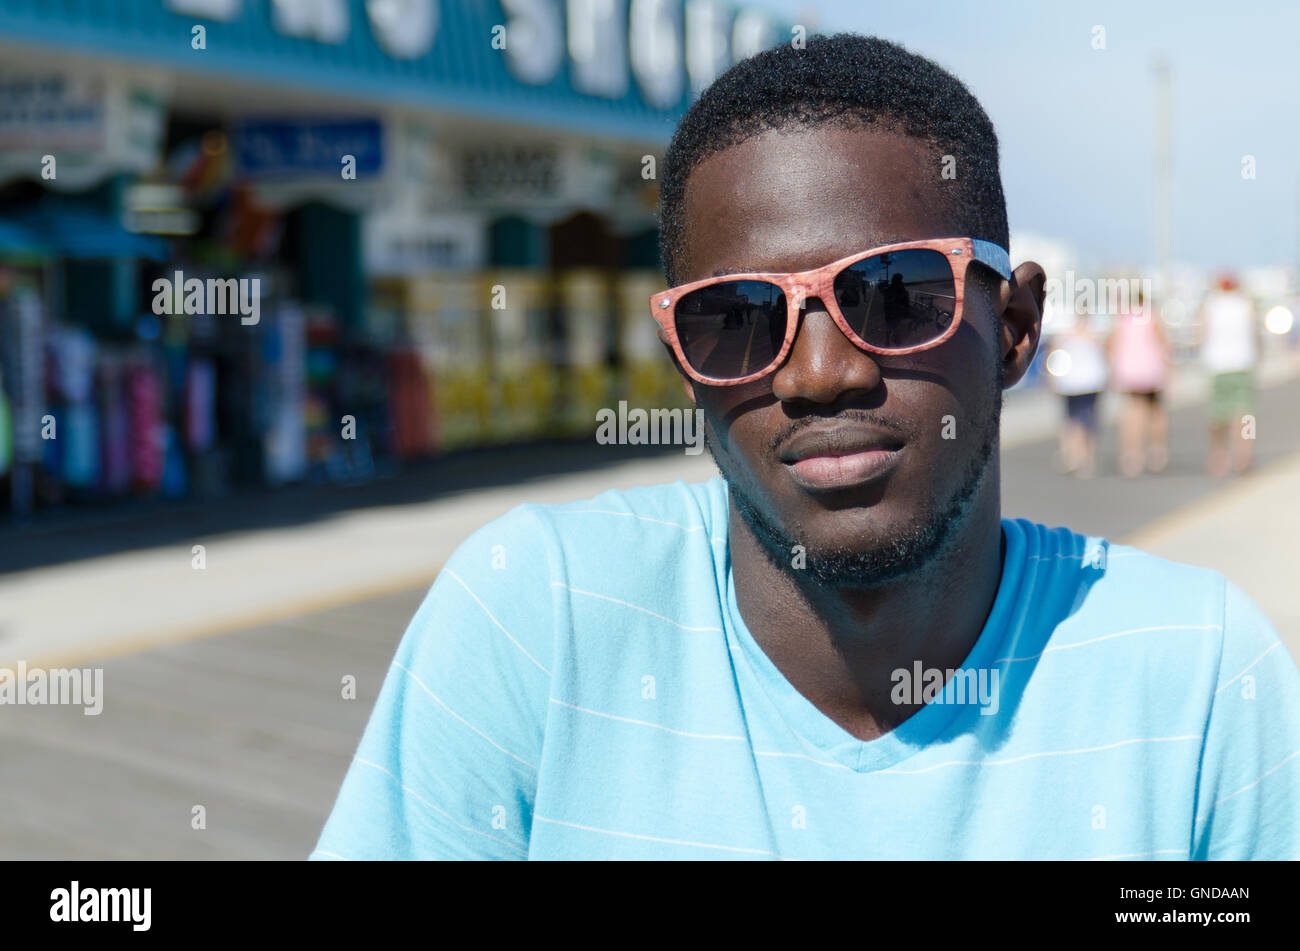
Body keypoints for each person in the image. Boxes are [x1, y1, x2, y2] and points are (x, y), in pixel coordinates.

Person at [313, 34, 1299, 860]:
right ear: (683, 363)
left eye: (895, 294)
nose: (819, 374)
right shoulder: (540, 613)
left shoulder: (1196, 676)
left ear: (1013, 328)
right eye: (735, 318)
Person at [1107, 287, 1170, 477]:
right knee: (1155, 413)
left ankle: (1131, 456)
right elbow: (1163, 343)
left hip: (1129, 373)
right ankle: (1157, 452)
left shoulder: (1122, 318)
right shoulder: (1151, 316)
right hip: (1151, 370)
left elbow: (1111, 344)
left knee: (1132, 414)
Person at [1199, 275, 1259, 476]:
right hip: (1242, 364)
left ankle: (1218, 456)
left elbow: (1202, 334)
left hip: (1217, 366)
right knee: (1245, 414)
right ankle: (1244, 455)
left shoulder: (1210, 305)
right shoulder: (1245, 304)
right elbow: (1255, 332)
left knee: (1217, 416)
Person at [1045, 313, 1107, 478]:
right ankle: (1075, 456)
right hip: (1074, 384)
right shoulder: (1087, 334)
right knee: (1077, 421)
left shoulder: (1086, 335)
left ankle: (1079, 457)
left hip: (1085, 383)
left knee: (1081, 421)